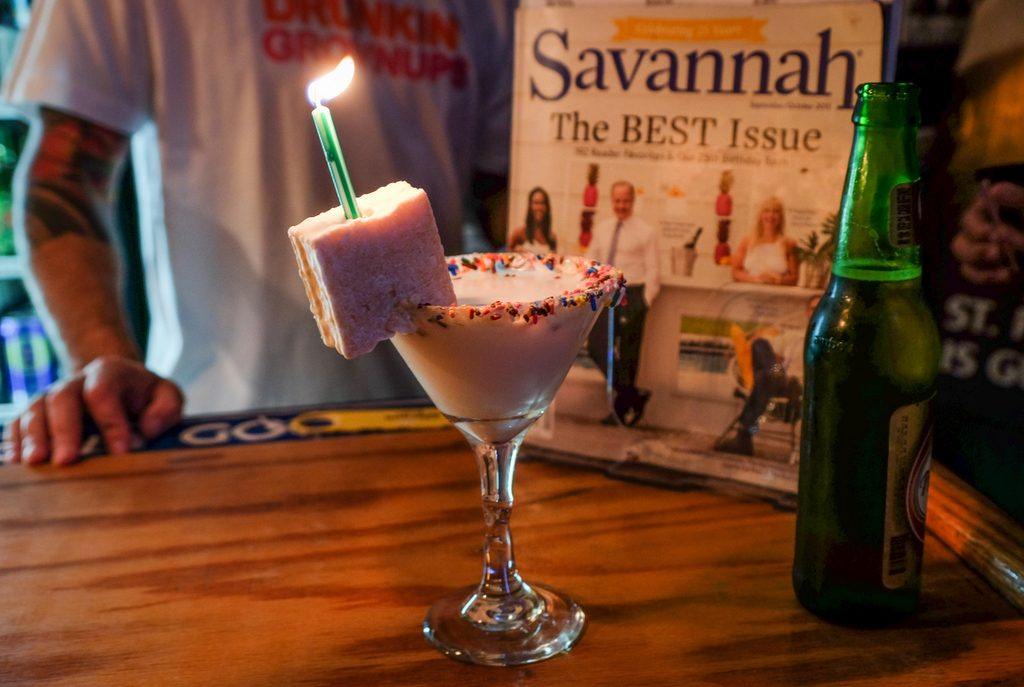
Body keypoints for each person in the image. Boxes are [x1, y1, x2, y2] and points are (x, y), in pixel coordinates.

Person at [1, 1, 514, 465]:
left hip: (447, 419)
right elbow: (63, 178)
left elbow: (506, 190)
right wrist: (101, 361)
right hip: (221, 428)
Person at [585, 180, 660, 426]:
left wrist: (645, 302)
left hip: (632, 295)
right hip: (606, 294)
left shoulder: (646, 232)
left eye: (626, 200)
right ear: (611, 200)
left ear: (633, 201)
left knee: (628, 355)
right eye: (617, 200)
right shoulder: (603, 229)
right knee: (597, 347)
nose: (621, 205)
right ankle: (633, 395)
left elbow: (654, 271)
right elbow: (591, 262)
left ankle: (620, 410)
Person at [731, 196, 799, 286]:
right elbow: (735, 272)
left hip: (778, 297)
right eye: (766, 211)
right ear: (760, 215)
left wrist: (779, 280)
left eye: (775, 212)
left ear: (781, 217)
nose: (770, 215)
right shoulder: (747, 241)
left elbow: (795, 278)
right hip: (748, 295)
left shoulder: (789, 243)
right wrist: (755, 279)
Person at [508, 186, 556, 253]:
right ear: (530, 206)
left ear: (547, 207)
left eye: (542, 203)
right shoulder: (519, 233)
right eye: (536, 203)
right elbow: (506, 257)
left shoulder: (551, 237)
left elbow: (554, 260)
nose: (539, 207)